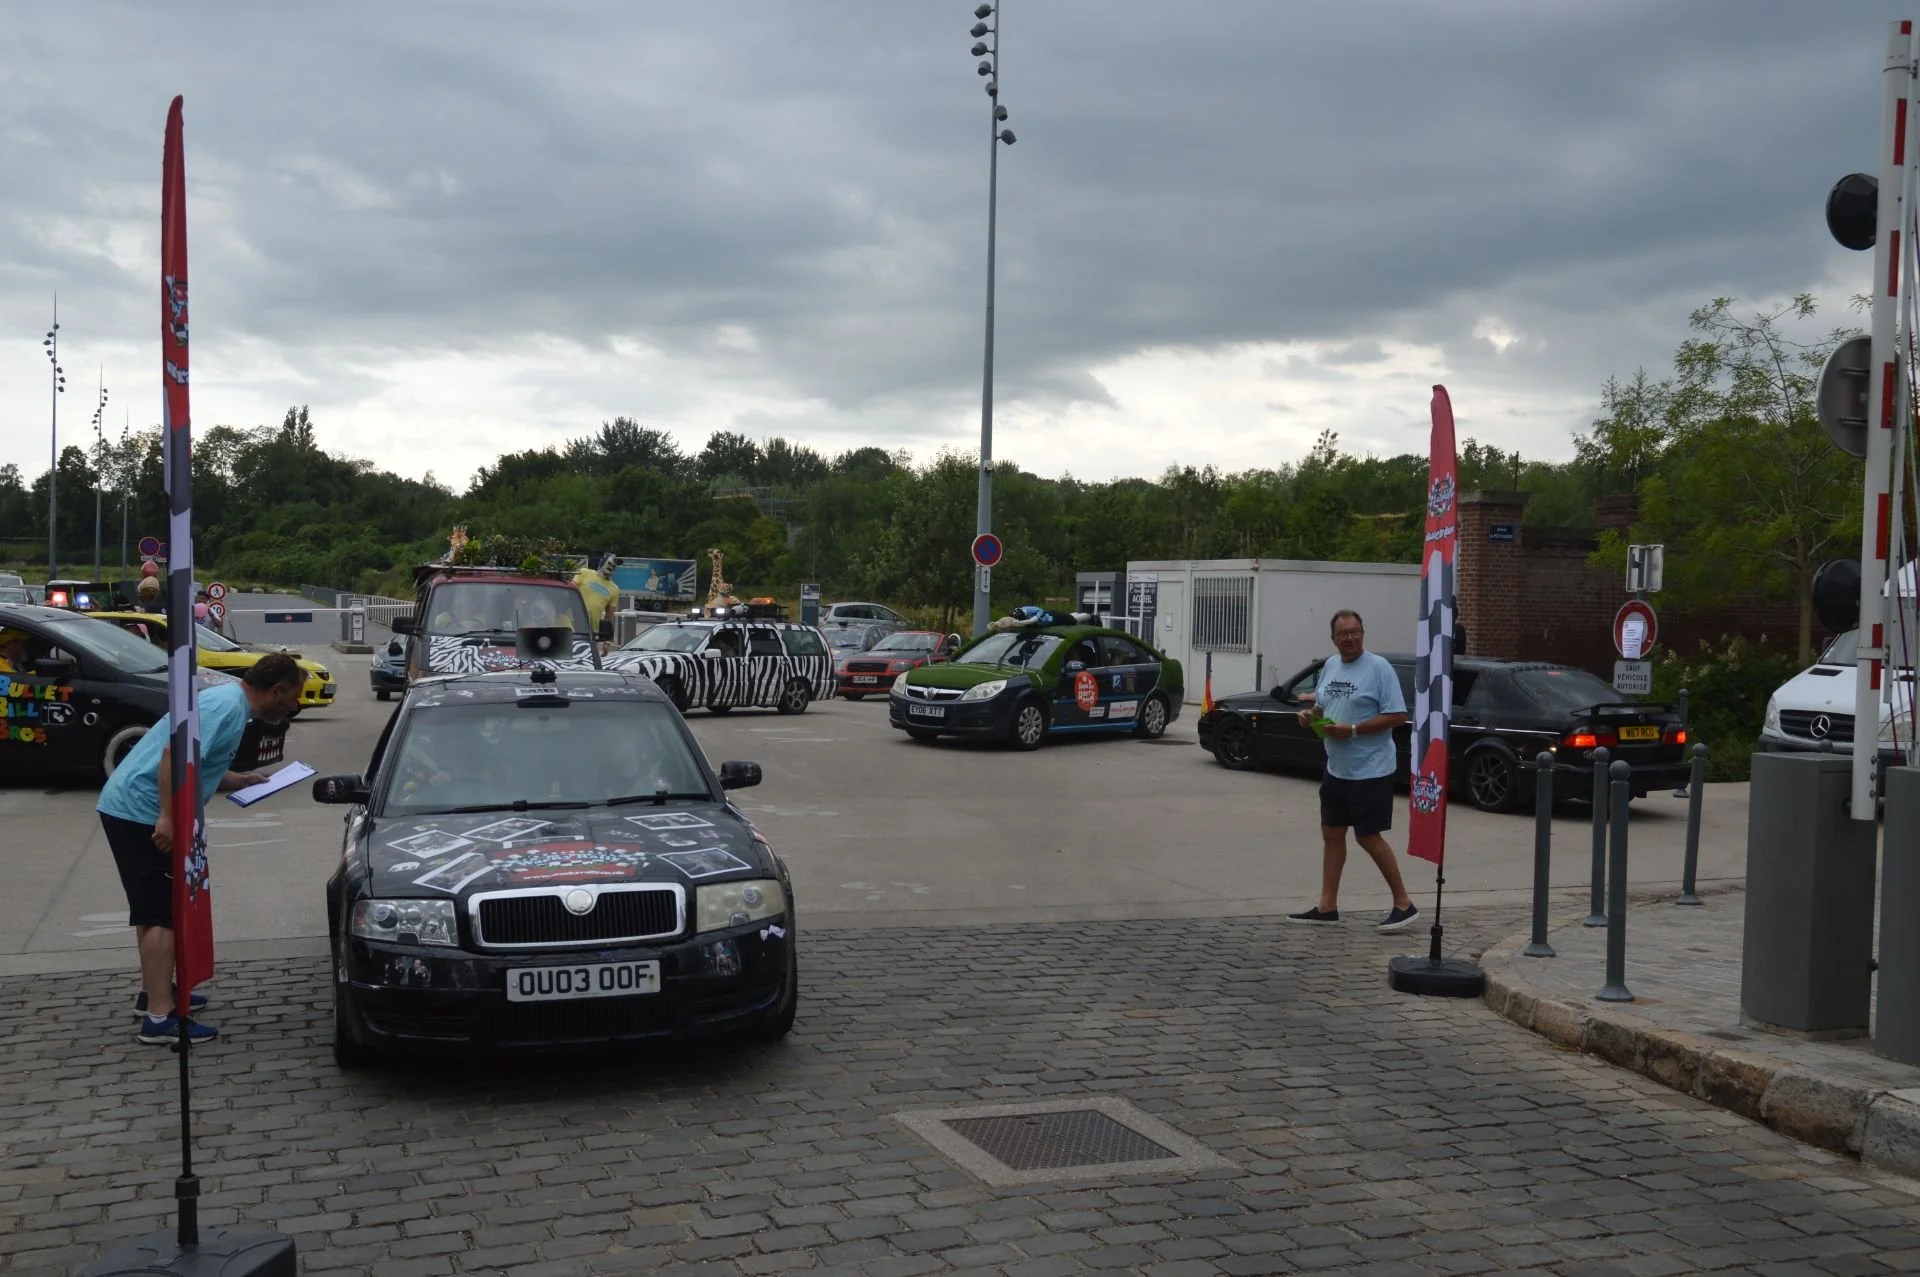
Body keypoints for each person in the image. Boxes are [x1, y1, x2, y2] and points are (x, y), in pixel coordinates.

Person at [95, 653, 306, 1045]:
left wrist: (238, 780)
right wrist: (169, 818)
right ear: (277, 691)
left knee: (153, 909)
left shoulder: (228, 703)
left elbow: (197, 761)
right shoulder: (226, 708)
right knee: (162, 914)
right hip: (140, 812)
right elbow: (173, 757)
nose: (294, 706)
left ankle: (153, 995)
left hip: (131, 808)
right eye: (294, 697)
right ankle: (159, 1021)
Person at [1289, 609, 1419, 931]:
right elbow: (1324, 704)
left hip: (1371, 768)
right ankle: (1327, 907)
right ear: (1332, 638)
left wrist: (1355, 730)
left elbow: (1398, 715)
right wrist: (1311, 715)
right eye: (1343, 634)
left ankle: (1404, 904)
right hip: (1337, 767)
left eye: (1355, 632)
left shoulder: (1378, 668)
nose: (1349, 638)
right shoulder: (1331, 666)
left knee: (1368, 837)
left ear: (1363, 633)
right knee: (1332, 833)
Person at [575, 553, 619, 652]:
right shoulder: (585, 573)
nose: (610, 567)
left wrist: (607, 642)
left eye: (613, 566)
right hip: (571, 626)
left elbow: (609, 618)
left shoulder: (614, 589)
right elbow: (569, 591)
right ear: (603, 562)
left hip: (591, 633)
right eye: (609, 564)